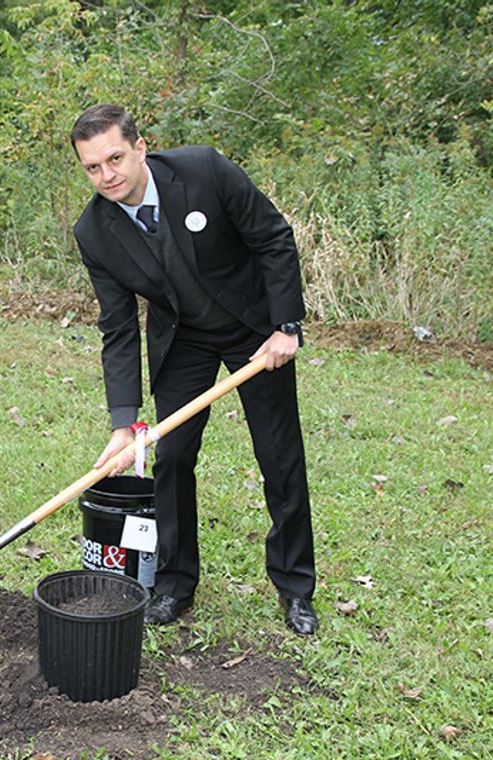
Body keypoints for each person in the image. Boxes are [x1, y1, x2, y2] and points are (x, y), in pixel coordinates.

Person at [71, 104, 318, 636]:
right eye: (92, 167)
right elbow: (117, 328)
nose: (107, 175)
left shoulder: (204, 171)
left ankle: (295, 588)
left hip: (255, 327)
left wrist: (286, 326)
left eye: (115, 158)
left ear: (141, 147)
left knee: (279, 457)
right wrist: (123, 423)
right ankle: (174, 584)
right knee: (173, 458)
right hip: (183, 339)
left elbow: (273, 238)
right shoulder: (94, 231)